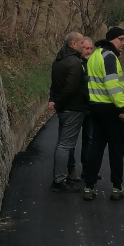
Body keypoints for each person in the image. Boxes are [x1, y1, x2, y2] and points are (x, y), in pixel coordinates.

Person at [83, 27, 124, 202]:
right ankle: (117, 187)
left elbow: (89, 83)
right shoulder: (109, 57)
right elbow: (112, 86)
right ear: (112, 39)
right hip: (111, 109)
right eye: (122, 39)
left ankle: (89, 186)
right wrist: (123, 109)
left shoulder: (94, 56)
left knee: (96, 148)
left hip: (95, 108)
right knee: (116, 150)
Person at [48, 32, 88, 193]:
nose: (83, 44)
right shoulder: (75, 63)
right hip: (73, 109)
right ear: (73, 44)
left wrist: (54, 101)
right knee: (65, 145)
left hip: (64, 109)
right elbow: (70, 89)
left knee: (62, 143)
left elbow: (54, 85)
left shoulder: (58, 61)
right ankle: (59, 180)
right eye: (80, 42)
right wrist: (58, 104)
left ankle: (60, 177)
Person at [67, 36, 95, 182]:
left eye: (90, 48)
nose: (88, 51)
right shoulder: (75, 64)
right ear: (79, 48)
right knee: (71, 140)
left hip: (90, 108)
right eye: (85, 48)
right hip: (77, 108)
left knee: (89, 139)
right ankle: (71, 170)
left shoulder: (93, 64)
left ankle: (87, 169)